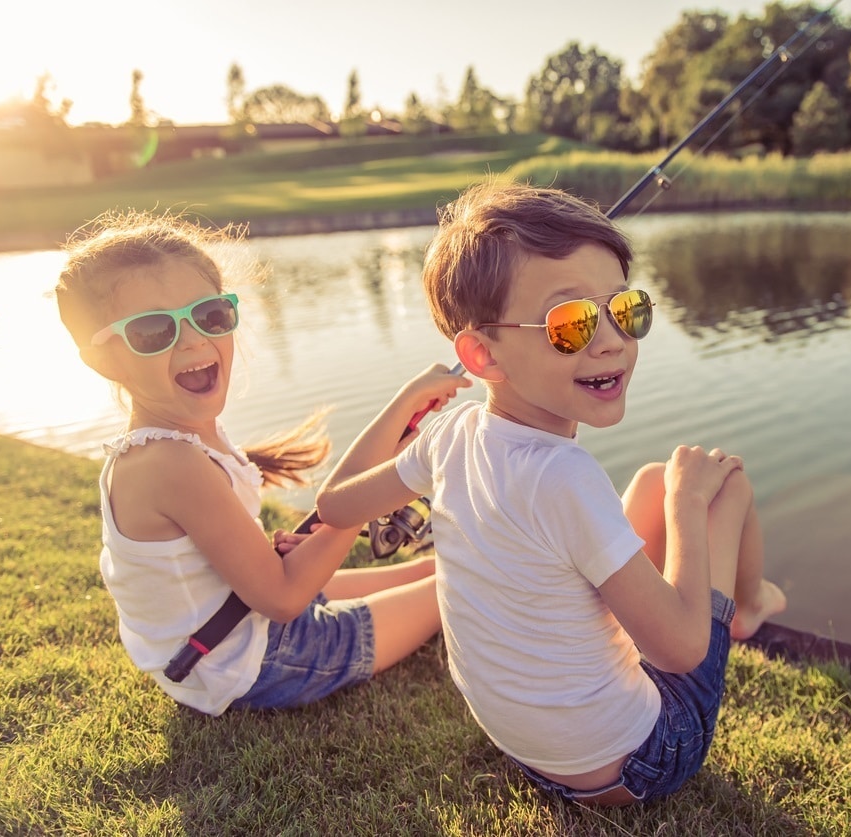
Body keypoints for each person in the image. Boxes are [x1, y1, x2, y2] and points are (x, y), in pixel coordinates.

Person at [315, 180, 787, 805]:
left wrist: (405, 403)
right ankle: (748, 606)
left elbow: (334, 506)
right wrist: (686, 505)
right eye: (572, 323)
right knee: (722, 485)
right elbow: (677, 651)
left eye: (625, 308)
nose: (613, 339)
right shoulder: (563, 476)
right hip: (636, 764)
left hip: (529, 750)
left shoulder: (449, 435)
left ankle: (741, 598)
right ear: (482, 355)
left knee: (647, 479)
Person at [54, 209, 468, 715]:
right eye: (152, 330)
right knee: (466, 583)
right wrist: (357, 508)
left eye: (208, 315)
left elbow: (320, 516)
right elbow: (285, 596)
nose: (192, 340)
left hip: (238, 626)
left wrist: (404, 403)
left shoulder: (183, 439)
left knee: (445, 566)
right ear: (102, 358)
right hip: (258, 662)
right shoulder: (168, 463)